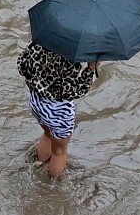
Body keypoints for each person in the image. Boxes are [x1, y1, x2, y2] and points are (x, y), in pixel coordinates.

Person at [17, 41, 99, 177]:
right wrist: (91, 68)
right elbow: (75, 91)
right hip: (58, 111)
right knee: (59, 152)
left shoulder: (38, 43)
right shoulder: (69, 56)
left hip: (37, 102)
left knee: (48, 134)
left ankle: (39, 163)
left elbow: (22, 65)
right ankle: (51, 186)